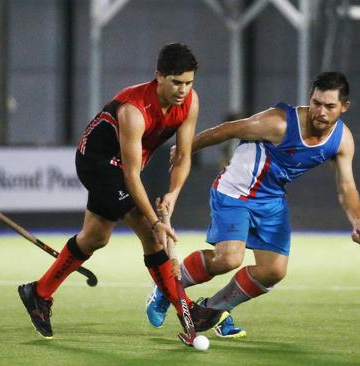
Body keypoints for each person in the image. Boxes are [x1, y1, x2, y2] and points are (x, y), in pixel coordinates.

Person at [17, 43, 228, 339]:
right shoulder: (134, 110)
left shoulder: (190, 102)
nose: (183, 90)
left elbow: (182, 156)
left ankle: (38, 292)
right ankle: (186, 310)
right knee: (151, 233)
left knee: (95, 237)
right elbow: (130, 176)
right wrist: (155, 221)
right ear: (159, 76)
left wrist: (172, 194)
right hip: (97, 162)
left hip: (125, 166)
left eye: (189, 82)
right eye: (176, 82)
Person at [146, 71, 360, 338]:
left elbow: (347, 186)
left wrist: (359, 222)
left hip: (271, 199)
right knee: (229, 258)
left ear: (344, 107)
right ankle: (166, 288)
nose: (320, 112)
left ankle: (210, 310)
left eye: (330, 106)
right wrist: (187, 149)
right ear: (310, 99)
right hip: (235, 192)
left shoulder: (342, 140)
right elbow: (228, 130)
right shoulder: (279, 123)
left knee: (273, 271)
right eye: (316, 103)